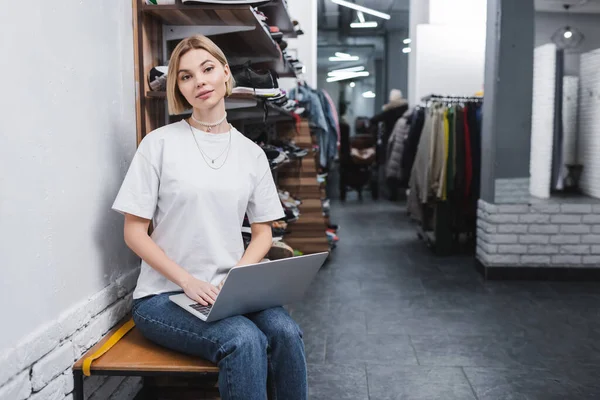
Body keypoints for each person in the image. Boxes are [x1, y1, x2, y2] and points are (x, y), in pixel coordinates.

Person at [111, 35, 307, 400]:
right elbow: (134, 233)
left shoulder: (251, 154)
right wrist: (188, 281)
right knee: (243, 339)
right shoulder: (159, 144)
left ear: (225, 74)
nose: (199, 81)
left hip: (230, 292)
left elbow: (263, 233)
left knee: (286, 333)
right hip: (164, 296)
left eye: (207, 68)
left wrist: (237, 278)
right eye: (185, 76)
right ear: (179, 88)